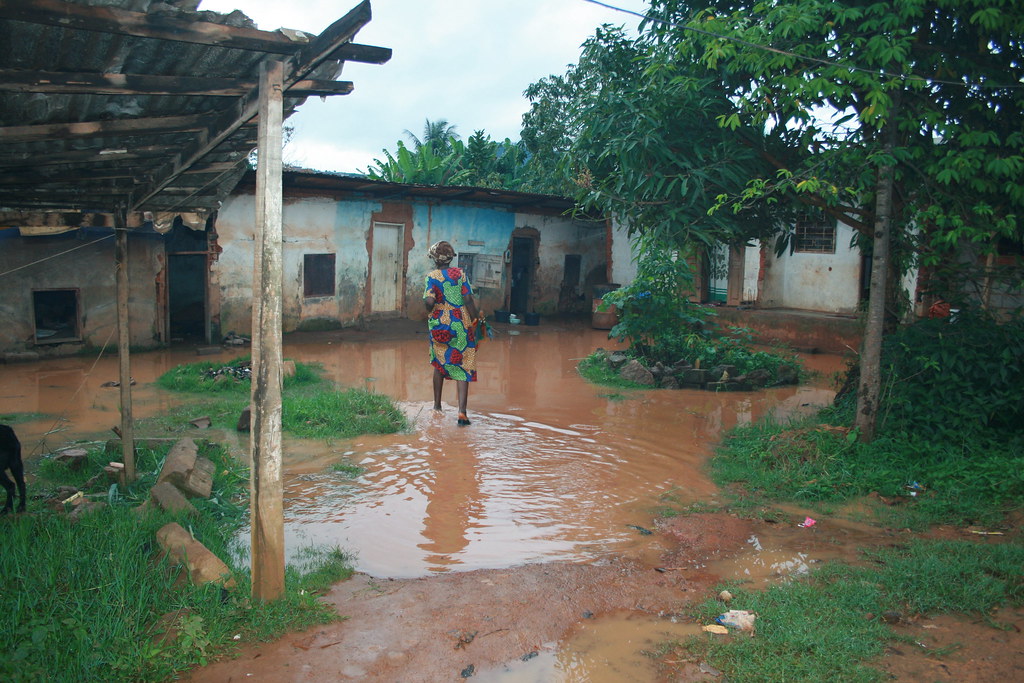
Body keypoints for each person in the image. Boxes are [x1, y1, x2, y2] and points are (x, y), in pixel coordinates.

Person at [423, 241, 481, 426]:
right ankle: (462, 413)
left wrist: (429, 304)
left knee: (439, 363)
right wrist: (476, 320)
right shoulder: (460, 274)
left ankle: (437, 407)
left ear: (434, 259)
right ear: (450, 258)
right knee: (463, 365)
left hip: (440, 326)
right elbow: (468, 299)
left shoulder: (431, 276)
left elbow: (430, 303)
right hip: (461, 324)